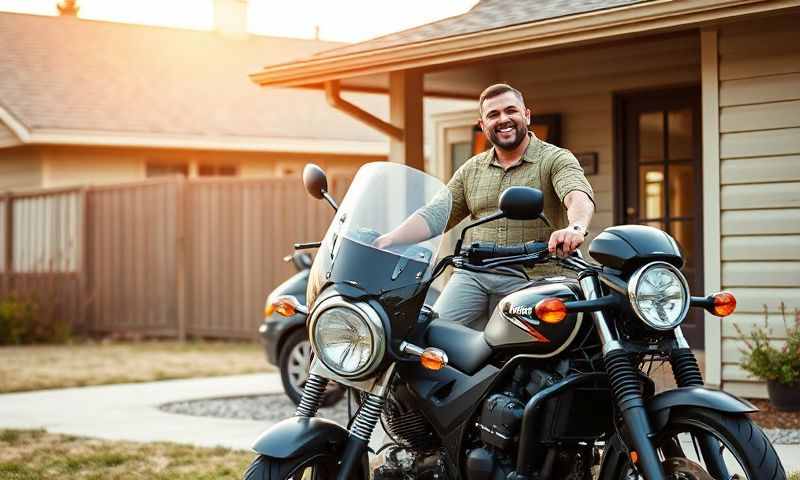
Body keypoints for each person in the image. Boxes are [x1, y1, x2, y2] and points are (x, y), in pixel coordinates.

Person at [375, 83, 595, 329]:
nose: (503, 119)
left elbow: (577, 195)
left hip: (535, 275)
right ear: (483, 125)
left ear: (526, 115)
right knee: (428, 333)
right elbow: (436, 214)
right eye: (493, 115)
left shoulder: (555, 158)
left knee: (528, 349)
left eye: (511, 111)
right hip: (475, 274)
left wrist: (575, 228)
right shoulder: (472, 169)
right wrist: (389, 240)